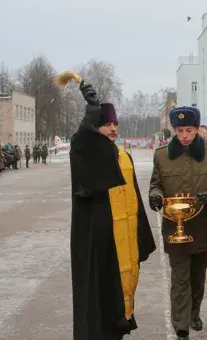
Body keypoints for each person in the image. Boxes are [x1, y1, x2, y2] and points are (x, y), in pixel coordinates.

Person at [65, 73, 157, 340]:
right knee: (100, 295)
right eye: (106, 124)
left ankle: (117, 329)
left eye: (115, 123)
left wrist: (141, 234)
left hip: (122, 240)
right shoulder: (88, 152)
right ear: (95, 128)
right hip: (98, 240)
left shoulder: (122, 155)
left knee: (119, 295)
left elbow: (134, 198)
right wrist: (91, 112)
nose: (113, 129)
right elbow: (82, 141)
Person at [148, 106, 207, 340]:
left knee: (197, 274)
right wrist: (155, 195)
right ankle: (181, 325)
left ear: (197, 129)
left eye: (189, 130)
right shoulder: (162, 154)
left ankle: (194, 313)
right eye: (180, 130)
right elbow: (156, 183)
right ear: (174, 130)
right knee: (180, 276)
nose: (184, 135)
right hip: (175, 226)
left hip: (203, 222)